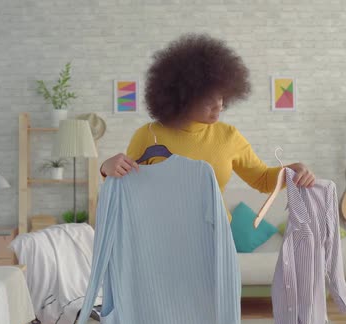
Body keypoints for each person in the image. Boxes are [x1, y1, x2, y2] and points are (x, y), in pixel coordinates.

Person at [100, 33, 315, 200]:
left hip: (217, 238)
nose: (219, 105)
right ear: (182, 96)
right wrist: (105, 170)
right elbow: (127, 189)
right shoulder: (148, 135)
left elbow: (262, 180)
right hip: (161, 240)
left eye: (221, 95)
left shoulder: (228, 136)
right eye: (207, 99)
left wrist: (291, 171)